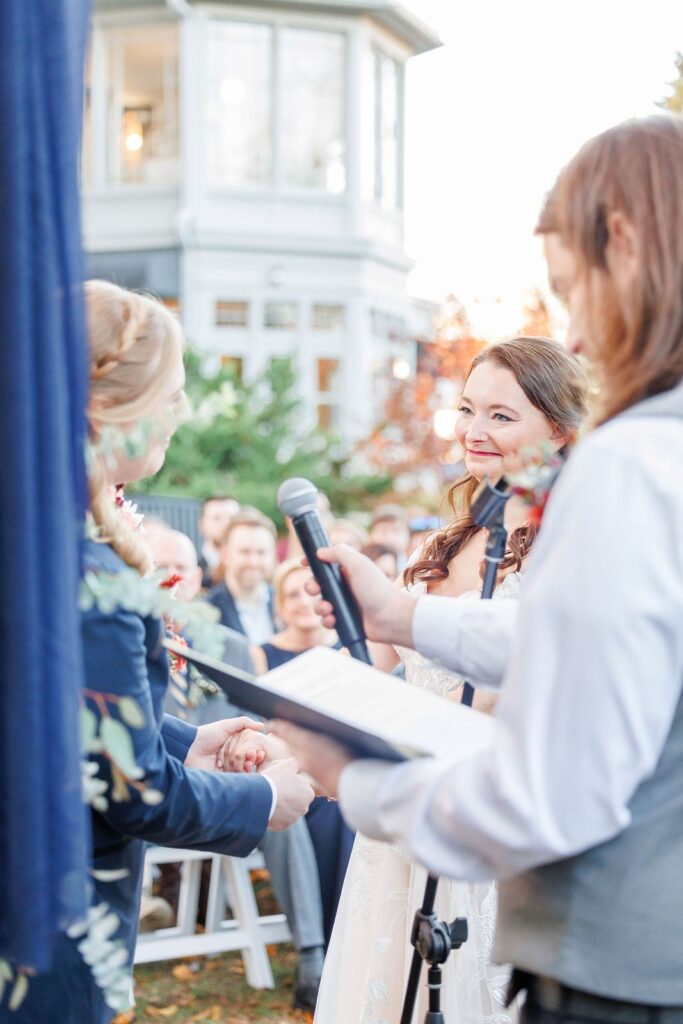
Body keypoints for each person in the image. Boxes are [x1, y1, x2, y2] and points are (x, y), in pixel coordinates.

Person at [272, 115, 683, 1024]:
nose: (574, 330)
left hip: (617, 963)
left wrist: (354, 775)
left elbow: (554, 793)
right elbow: (602, 645)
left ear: (623, 247)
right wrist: (405, 616)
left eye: (572, 290)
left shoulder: (629, 465)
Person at [15, 281, 314, 1024]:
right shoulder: (90, 576)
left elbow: (63, 718)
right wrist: (266, 800)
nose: (181, 412)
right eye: (171, 394)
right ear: (106, 410)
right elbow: (134, 791)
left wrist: (190, 737)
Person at [298, 338, 590, 1024]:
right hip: (397, 825)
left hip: (479, 816)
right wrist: (348, 637)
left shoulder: (566, 548)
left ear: (558, 432)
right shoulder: (445, 544)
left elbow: (506, 695)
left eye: (500, 416)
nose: (473, 431)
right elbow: (393, 668)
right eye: (466, 410)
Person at [145, 526, 328, 1011]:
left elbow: (257, 721)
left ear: (198, 577)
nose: (170, 579)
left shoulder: (227, 645)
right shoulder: (131, 645)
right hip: (152, 792)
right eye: (158, 568)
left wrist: (248, 741)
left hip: (220, 784)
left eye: (179, 569)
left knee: (272, 802)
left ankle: (312, 953)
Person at [246, 560, 355, 947]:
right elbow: (260, 724)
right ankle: (320, 938)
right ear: (278, 605)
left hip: (332, 768)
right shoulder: (260, 655)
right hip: (284, 764)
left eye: (309, 593)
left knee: (344, 805)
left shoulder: (347, 653)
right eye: (290, 594)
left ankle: (347, 932)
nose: (301, 602)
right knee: (320, 805)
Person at [206, 509, 277, 642]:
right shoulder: (206, 613)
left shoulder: (285, 604)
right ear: (225, 554)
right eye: (245, 552)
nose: (253, 562)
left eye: (261, 552)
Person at [197, 495, 240, 588]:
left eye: (232, 518)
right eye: (217, 518)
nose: (226, 524)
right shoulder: (193, 570)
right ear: (202, 525)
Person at [368, 503, 411, 568]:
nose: (390, 538)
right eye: (384, 531)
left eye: (396, 530)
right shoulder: (359, 566)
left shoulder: (417, 570)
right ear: (371, 534)